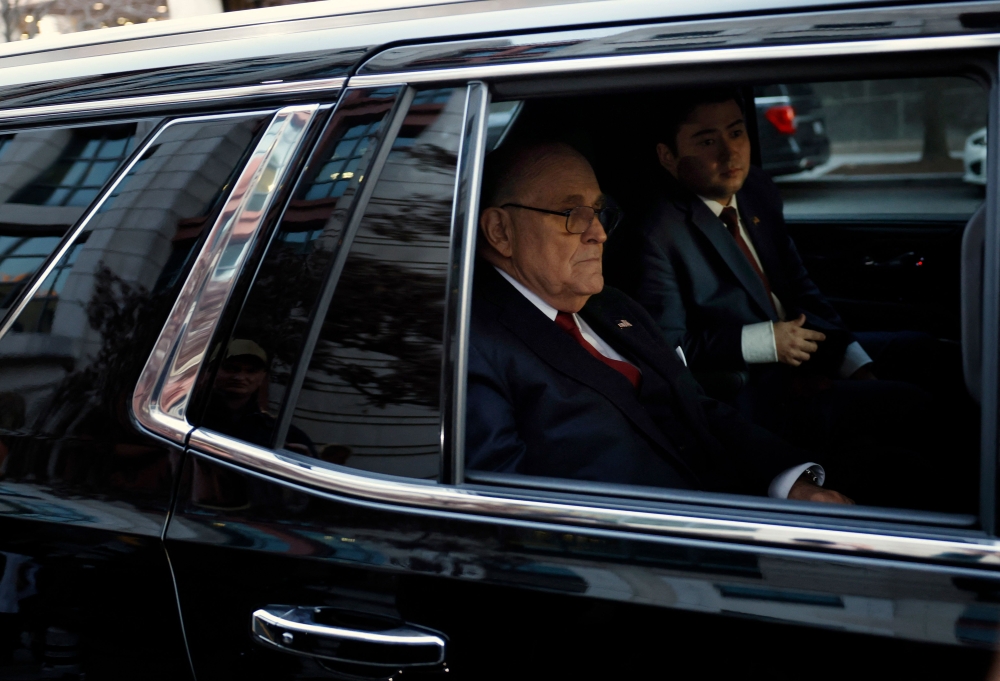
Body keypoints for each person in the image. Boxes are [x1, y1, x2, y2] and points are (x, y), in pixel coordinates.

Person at [467, 139, 852, 504]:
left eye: (599, 213)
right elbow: (508, 514)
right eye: (573, 215)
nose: (599, 233)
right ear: (501, 231)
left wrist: (790, 483)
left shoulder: (612, 305)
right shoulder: (474, 349)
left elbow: (694, 406)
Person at [633, 89, 945, 462]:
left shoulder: (756, 191)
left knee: (925, 350)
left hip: (805, 351)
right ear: (668, 156)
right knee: (915, 405)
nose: (730, 153)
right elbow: (668, 349)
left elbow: (800, 288)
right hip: (754, 392)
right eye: (707, 140)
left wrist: (852, 361)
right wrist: (765, 342)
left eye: (736, 133)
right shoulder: (657, 233)